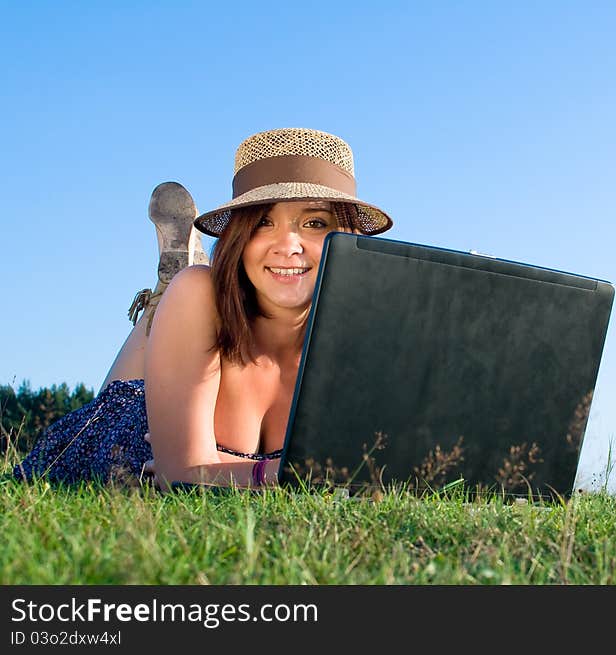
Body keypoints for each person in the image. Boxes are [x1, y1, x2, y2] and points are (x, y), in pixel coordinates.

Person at [13, 127, 394, 490]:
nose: (288, 244)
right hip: (131, 429)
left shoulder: (369, 335)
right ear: (238, 239)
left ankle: (165, 300)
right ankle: (163, 300)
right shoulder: (200, 292)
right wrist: (294, 473)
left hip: (191, 382)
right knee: (126, 390)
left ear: (348, 237)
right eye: (263, 222)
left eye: (314, 222)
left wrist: (220, 469)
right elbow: (182, 475)